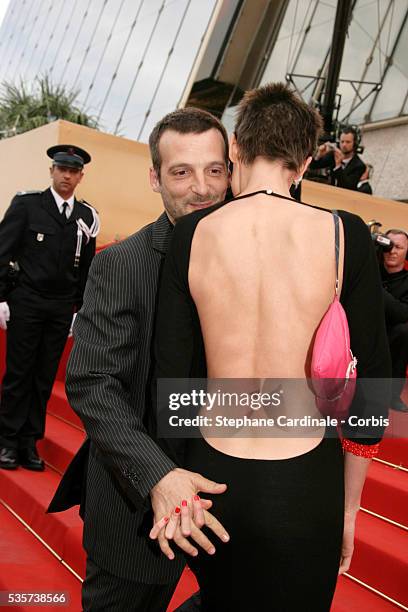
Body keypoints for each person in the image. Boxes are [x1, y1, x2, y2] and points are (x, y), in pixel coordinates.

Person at [151, 83, 391, 611]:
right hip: (305, 479)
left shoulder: (192, 234)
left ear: (235, 147)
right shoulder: (342, 232)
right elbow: (371, 384)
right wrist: (349, 509)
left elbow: (170, 373)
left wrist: (172, 479)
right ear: (304, 162)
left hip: (213, 471)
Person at [49, 108, 231, 612]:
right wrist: (158, 476)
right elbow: (91, 381)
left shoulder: (251, 257)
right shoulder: (120, 265)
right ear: (155, 178)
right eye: (182, 172)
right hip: (137, 503)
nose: (202, 187)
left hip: (227, 494)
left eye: (215, 170)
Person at [0, 145, 98, 471]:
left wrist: (78, 310)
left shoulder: (87, 217)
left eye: (73, 171)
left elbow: (85, 269)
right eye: (61, 169)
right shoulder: (27, 205)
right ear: (52, 171)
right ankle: (8, 442)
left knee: (43, 377)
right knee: (19, 374)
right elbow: (3, 252)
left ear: (81, 176)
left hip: (60, 309)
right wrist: (1, 298)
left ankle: (30, 444)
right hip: (26, 301)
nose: (67, 176)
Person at [381, 229, 408, 412]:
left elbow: (402, 314)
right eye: (388, 245)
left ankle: (392, 395)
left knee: (404, 331)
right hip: (367, 327)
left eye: (398, 247)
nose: (392, 251)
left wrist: (376, 288)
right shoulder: (369, 270)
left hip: (393, 334)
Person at [309, 126, 366, 191]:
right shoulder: (332, 156)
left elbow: (347, 186)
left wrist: (338, 166)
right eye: (342, 141)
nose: (344, 145)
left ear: (355, 144)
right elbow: (313, 166)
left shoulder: (359, 166)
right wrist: (318, 155)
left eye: (348, 142)